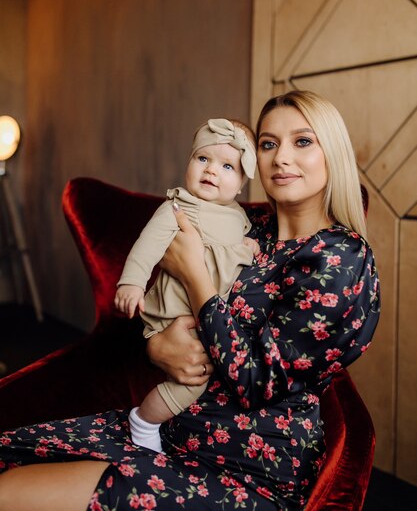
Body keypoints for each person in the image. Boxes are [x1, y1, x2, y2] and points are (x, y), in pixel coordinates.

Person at [0, 90, 380, 511]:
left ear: (334, 152)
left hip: (245, 466)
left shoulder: (340, 256)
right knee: (8, 458)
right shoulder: (246, 226)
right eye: (269, 144)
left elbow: (256, 382)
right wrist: (156, 347)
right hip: (168, 427)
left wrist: (195, 274)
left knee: (12, 495)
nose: (281, 157)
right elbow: (166, 303)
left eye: (303, 141)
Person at [114, 117, 259, 453]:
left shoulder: (237, 217)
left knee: (204, 372)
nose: (211, 171)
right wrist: (132, 283)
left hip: (208, 316)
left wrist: (247, 247)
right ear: (189, 162)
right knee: (193, 380)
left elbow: (231, 255)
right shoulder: (178, 207)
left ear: (240, 184)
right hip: (173, 313)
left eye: (227, 166)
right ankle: (145, 422)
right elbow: (146, 245)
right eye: (202, 159)